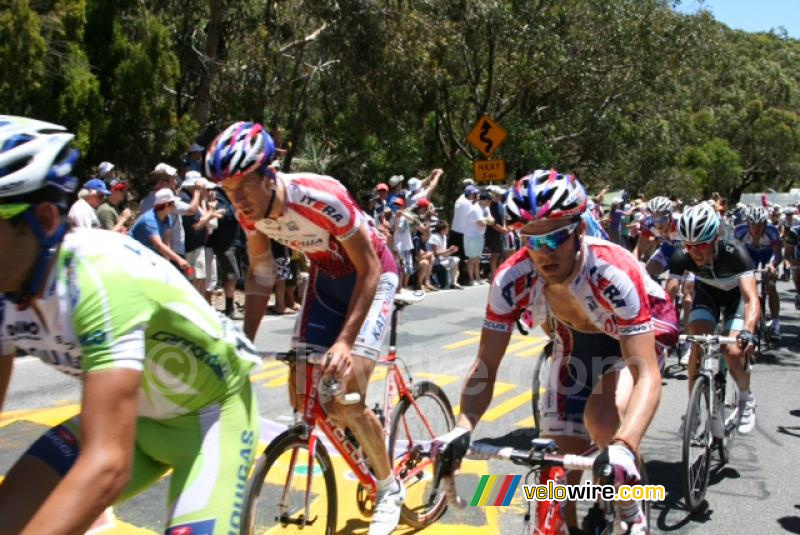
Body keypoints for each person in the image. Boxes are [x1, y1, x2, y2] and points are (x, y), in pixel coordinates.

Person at [0, 116, 261, 534]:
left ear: (45, 219)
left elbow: (107, 466)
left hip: (211, 420)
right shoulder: (6, 292)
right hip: (136, 419)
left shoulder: (98, 278)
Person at [440, 169, 678, 533]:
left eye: (553, 240)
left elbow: (646, 372)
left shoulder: (612, 271)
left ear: (579, 231)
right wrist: (461, 428)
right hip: (577, 336)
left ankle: (630, 504)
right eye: (530, 241)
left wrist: (625, 445)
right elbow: (486, 363)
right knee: (559, 465)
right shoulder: (511, 277)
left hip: (635, 333)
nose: (541, 254)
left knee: (602, 418)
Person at [205, 121, 403, 535]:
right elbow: (260, 273)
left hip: (373, 275)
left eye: (242, 185)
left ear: (268, 174)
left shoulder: (317, 198)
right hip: (327, 279)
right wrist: (246, 340)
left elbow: (367, 267)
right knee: (302, 390)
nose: (236, 199)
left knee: (345, 398)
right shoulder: (249, 214)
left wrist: (346, 341)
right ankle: (363, 433)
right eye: (226, 190)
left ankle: (389, 488)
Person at [668, 202, 759, 434]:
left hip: (735, 299)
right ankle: (693, 411)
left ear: (715, 239)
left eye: (701, 245)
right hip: (708, 294)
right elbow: (667, 295)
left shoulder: (735, 252)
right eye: (689, 246)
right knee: (697, 343)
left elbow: (750, 298)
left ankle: (746, 399)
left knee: (732, 351)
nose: (695, 252)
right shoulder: (682, 257)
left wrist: (749, 329)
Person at [733, 206, 782, 339]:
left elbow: (778, 255)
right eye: (753, 224)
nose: (757, 228)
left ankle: (776, 323)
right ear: (748, 223)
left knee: (771, 285)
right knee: (744, 286)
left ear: (765, 224)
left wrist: (772, 265)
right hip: (749, 255)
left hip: (767, 255)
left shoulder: (772, 231)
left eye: (760, 225)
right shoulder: (739, 231)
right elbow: (734, 253)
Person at [130, 188, 189, 273]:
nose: (175, 206)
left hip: (148, 255)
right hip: (135, 255)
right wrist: (179, 259)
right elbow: (158, 245)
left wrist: (168, 263)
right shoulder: (150, 219)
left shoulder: (167, 217)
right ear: (165, 205)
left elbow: (166, 241)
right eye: (172, 203)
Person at [463, 190, 490, 285]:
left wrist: (488, 221)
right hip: (471, 236)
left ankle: (478, 278)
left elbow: (491, 220)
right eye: (487, 200)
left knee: (477, 258)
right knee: (472, 259)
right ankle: (471, 279)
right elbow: (481, 223)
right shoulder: (476, 209)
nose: (489, 202)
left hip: (480, 235)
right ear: (482, 200)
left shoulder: (486, 208)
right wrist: (488, 221)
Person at [427, 220, 461, 289]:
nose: (448, 230)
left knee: (456, 259)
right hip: (435, 261)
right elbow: (436, 253)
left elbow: (444, 254)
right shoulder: (435, 237)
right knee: (455, 261)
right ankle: (451, 282)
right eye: (447, 229)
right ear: (442, 230)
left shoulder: (444, 237)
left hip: (442, 259)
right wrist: (448, 250)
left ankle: (453, 283)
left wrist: (451, 251)